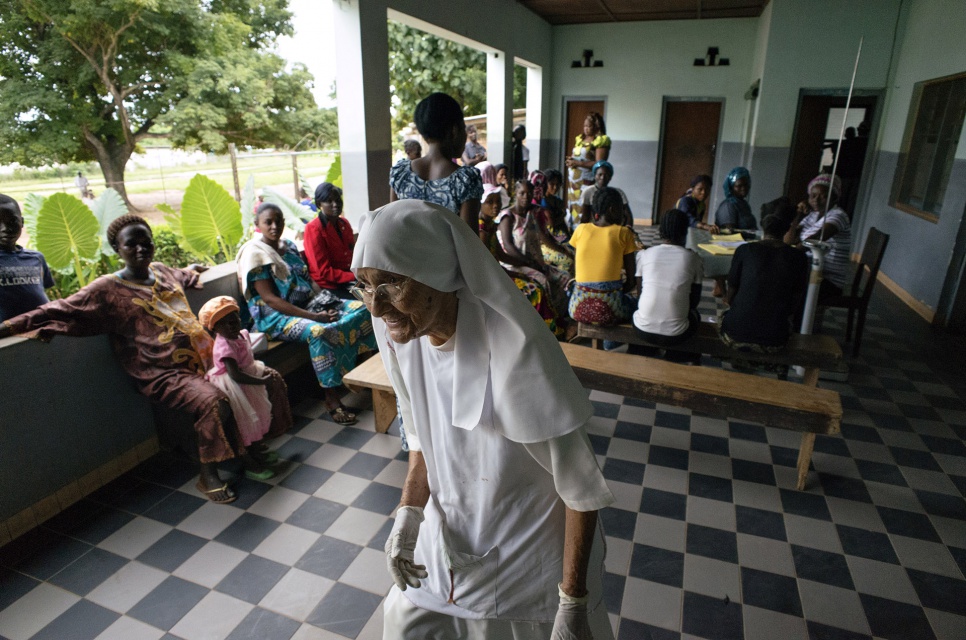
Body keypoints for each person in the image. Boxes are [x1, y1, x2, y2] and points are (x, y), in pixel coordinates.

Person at [349, 199, 615, 640]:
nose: (375, 307)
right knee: (402, 626)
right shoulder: (401, 338)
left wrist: (573, 601)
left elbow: (581, 490)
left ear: (438, 272)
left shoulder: (516, 353)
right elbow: (420, 437)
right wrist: (408, 514)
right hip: (451, 537)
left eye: (392, 282)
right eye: (364, 285)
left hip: (528, 560)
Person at [0, 215, 292, 504]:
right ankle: (208, 475)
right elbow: (60, 309)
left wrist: (192, 269)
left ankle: (254, 443)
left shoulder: (163, 271)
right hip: (163, 373)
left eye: (146, 242)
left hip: (207, 360)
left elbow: (184, 275)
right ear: (118, 249)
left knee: (271, 377)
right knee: (214, 402)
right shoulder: (106, 289)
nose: (141, 249)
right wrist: (10, 326)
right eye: (132, 244)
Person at [237, 203, 376, 425]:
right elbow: (271, 299)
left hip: (307, 304)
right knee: (321, 331)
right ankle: (331, 398)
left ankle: (362, 375)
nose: (275, 226)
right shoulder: (256, 255)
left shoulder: (289, 246)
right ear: (257, 225)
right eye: (268, 222)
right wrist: (314, 317)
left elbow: (308, 278)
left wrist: (325, 301)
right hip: (275, 317)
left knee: (362, 308)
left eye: (279, 221)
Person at [199, 296, 285, 479]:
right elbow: (235, 375)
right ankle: (249, 463)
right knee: (245, 422)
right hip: (235, 386)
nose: (232, 326)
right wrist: (262, 381)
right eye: (224, 324)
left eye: (234, 320)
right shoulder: (224, 346)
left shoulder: (242, 334)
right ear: (215, 329)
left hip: (248, 381)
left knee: (257, 416)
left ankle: (257, 451)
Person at [389, 92, 483, 231]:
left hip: (404, 253)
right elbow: (469, 243)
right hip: (447, 254)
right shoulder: (465, 180)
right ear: (454, 130)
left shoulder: (400, 174)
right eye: (463, 128)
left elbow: (392, 227)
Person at [719, 214, 809, 356]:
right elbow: (795, 301)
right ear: (786, 230)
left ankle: (739, 361)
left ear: (763, 227)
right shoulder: (798, 257)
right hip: (775, 340)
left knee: (726, 315)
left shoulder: (744, 250)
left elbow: (731, 294)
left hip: (734, 335)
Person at [478, 184, 557, 334]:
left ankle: (539, 330)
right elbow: (486, 262)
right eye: (490, 202)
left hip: (497, 272)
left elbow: (501, 255)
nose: (496, 206)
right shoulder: (482, 229)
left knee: (534, 282)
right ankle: (541, 331)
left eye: (498, 201)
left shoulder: (489, 226)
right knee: (535, 290)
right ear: (480, 204)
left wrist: (525, 263)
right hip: (491, 277)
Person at [629, 209, 704, 362]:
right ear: (685, 232)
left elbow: (640, 293)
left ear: (660, 231)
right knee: (695, 316)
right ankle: (682, 356)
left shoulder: (645, 254)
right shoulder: (694, 258)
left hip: (642, 329)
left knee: (643, 310)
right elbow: (694, 302)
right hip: (677, 334)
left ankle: (643, 350)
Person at [497, 180, 571, 320]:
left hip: (536, 263)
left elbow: (544, 236)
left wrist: (562, 249)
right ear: (515, 194)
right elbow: (508, 246)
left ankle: (561, 317)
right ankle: (547, 322)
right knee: (542, 281)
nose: (526, 196)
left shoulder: (533, 213)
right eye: (522, 193)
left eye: (529, 193)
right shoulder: (508, 216)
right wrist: (528, 262)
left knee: (565, 278)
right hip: (516, 264)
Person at [569, 187, 638, 326]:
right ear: (613, 210)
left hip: (577, 309)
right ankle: (610, 344)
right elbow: (631, 281)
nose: (624, 215)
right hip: (610, 311)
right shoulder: (624, 233)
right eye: (621, 210)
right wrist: (608, 294)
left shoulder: (580, 230)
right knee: (637, 304)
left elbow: (578, 268)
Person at [785, 173, 852, 301]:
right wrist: (798, 215)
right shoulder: (813, 214)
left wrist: (785, 256)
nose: (816, 200)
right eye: (813, 196)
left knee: (783, 283)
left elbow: (814, 240)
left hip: (827, 279)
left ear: (835, 198)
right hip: (810, 271)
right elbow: (789, 240)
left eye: (824, 196)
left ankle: (799, 320)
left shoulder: (838, 216)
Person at [0, 194, 54, 322]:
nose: (5, 229)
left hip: (41, 329)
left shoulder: (36, 258)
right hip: (6, 337)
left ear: (22, 222)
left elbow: (40, 293)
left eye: (12, 221)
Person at [303, 182, 357, 299]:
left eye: (338, 200)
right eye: (329, 201)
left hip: (348, 279)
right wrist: (354, 276)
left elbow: (353, 254)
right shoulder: (313, 229)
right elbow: (324, 271)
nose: (335, 204)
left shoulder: (344, 224)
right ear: (319, 204)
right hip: (329, 285)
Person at [566, 112, 610, 226]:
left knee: (584, 209)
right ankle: (574, 236)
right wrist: (572, 160)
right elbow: (581, 157)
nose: (586, 129)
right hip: (574, 184)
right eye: (584, 126)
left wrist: (577, 162)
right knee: (574, 209)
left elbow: (599, 164)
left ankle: (585, 236)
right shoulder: (581, 139)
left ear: (596, 126)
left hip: (586, 182)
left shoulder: (600, 140)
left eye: (589, 126)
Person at [530, 171, 574, 276]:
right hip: (546, 242)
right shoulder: (540, 204)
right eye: (551, 184)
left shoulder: (557, 201)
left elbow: (560, 224)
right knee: (569, 259)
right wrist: (562, 215)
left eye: (558, 185)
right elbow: (551, 223)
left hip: (558, 237)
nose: (555, 187)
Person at [578, 161, 632, 226]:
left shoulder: (618, 192)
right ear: (595, 176)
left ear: (610, 177)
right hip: (594, 228)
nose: (603, 177)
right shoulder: (588, 192)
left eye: (606, 175)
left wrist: (628, 228)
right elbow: (585, 216)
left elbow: (628, 215)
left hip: (614, 229)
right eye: (600, 174)